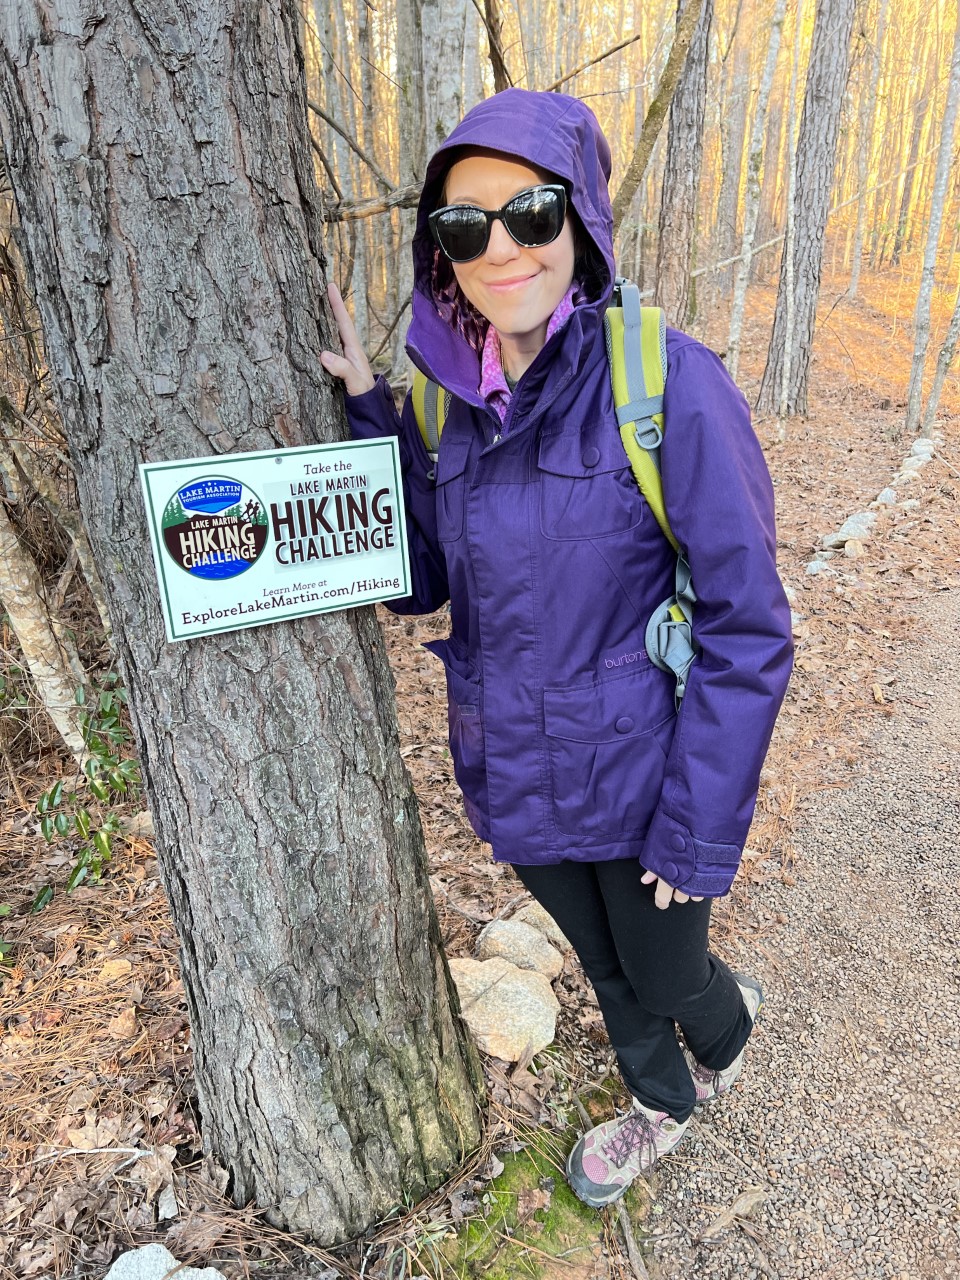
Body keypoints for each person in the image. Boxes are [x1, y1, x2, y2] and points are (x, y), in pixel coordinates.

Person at [320, 88, 793, 1208]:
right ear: (441, 248)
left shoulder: (668, 382)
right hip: (520, 775)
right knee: (607, 971)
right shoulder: (448, 410)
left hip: (644, 784)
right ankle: (663, 1102)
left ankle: (725, 1031)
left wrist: (695, 831)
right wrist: (370, 417)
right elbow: (426, 576)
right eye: (463, 225)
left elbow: (749, 627)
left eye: (530, 212)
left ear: (578, 217)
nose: (502, 246)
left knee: (670, 965)